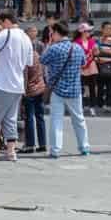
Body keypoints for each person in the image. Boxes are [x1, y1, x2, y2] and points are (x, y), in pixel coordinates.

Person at [0, 11, 32, 162]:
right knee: (10, 120)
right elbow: (28, 63)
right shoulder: (26, 37)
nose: (0, 27)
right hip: (17, 85)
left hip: (2, 83)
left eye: (1, 23)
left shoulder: (7, 33)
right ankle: (11, 152)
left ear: (7, 21)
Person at [40, 21, 89, 158]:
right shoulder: (77, 47)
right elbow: (83, 63)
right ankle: (84, 147)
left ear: (56, 33)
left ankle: (55, 150)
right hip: (75, 89)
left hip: (57, 89)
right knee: (79, 119)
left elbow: (42, 60)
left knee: (56, 120)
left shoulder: (54, 48)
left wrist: (49, 44)